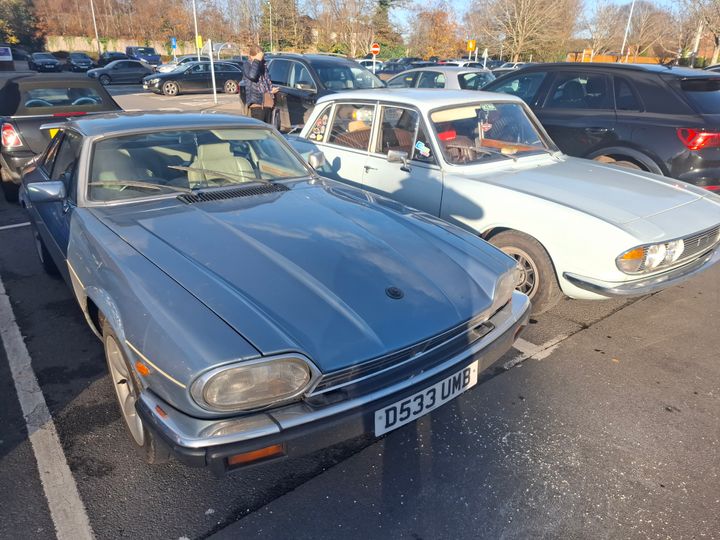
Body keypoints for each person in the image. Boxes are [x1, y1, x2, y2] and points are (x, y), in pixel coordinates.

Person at [242, 45, 278, 123]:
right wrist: (257, 60)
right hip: (257, 104)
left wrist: (270, 90)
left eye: (262, 56)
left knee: (267, 128)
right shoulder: (247, 65)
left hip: (267, 104)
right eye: (260, 56)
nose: (262, 58)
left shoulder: (263, 65)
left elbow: (265, 82)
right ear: (252, 56)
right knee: (260, 129)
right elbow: (252, 76)